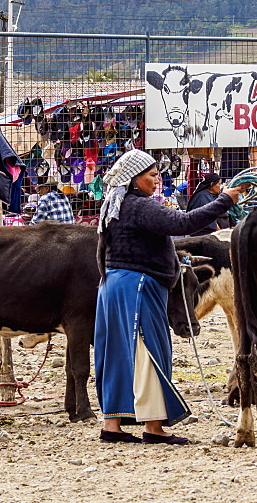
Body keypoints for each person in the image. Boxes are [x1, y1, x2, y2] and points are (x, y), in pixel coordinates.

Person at [94, 149, 246, 445]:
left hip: (113, 286)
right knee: (149, 352)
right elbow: (184, 223)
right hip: (138, 286)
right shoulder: (139, 206)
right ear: (134, 179)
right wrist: (225, 200)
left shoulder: (113, 206)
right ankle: (154, 428)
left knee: (117, 354)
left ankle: (111, 426)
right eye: (151, 175)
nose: (157, 179)